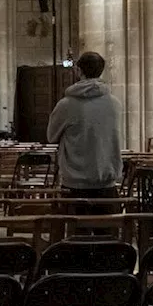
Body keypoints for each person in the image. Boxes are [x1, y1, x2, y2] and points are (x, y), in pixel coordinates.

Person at [47, 50, 124, 197]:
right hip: (107, 184)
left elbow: (51, 136)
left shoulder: (66, 105)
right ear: (101, 71)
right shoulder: (114, 104)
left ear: (78, 70)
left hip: (74, 185)